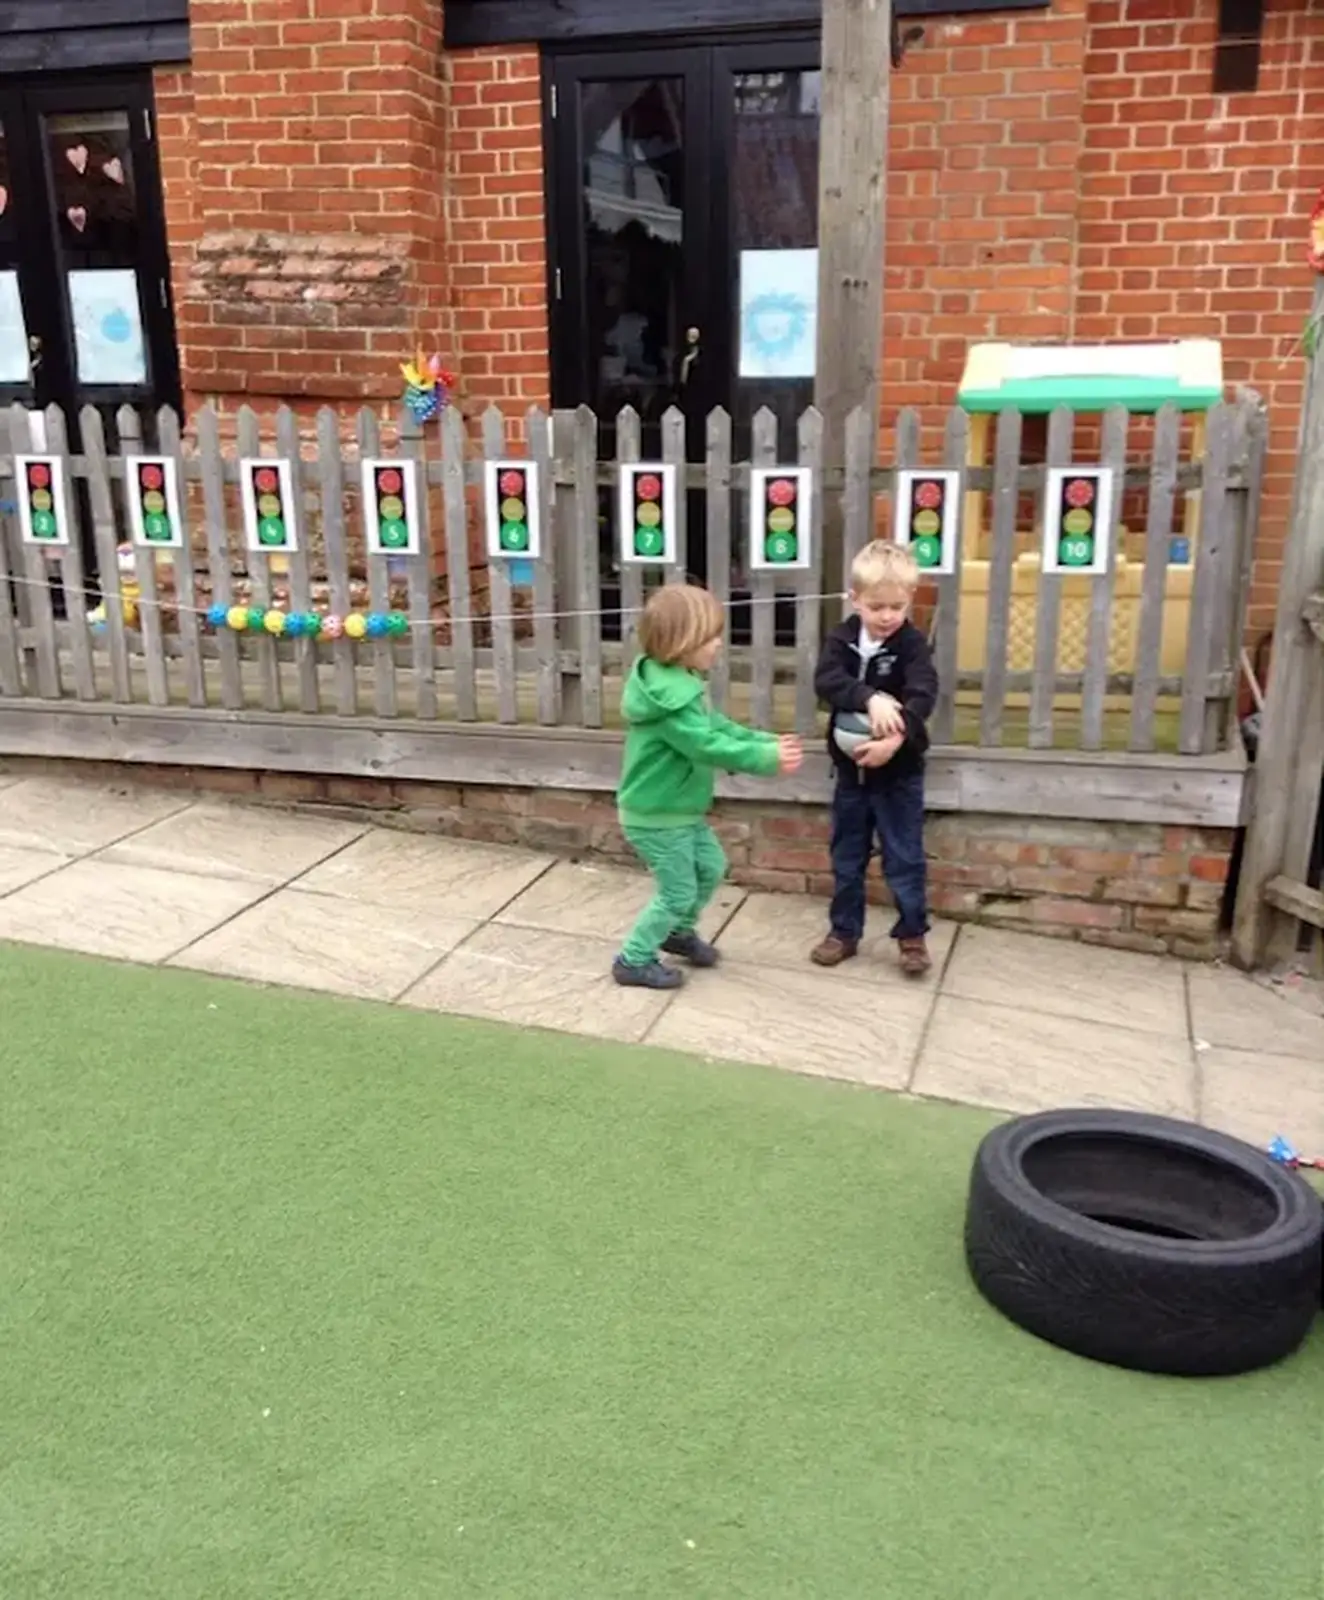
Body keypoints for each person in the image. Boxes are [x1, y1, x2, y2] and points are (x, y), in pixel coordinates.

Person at [614, 583, 803, 990]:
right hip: (656, 814)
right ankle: (633, 958)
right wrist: (764, 761)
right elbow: (704, 744)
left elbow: (716, 727)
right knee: (678, 889)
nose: (719, 644)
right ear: (681, 642)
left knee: (712, 867)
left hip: (681, 809)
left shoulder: (679, 681)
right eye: (709, 636)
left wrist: (764, 742)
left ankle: (677, 933)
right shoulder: (669, 701)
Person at [811, 541, 938, 978]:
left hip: (899, 775)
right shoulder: (842, 640)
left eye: (897, 606)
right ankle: (843, 932)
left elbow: (922, 696)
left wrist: (894, 740)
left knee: (904, 857)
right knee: (847, 856)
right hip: (851, 775)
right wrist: (869, 697)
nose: (887, 616)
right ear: (855, 600)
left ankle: (912, 936)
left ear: (910, 601)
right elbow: (827, 682)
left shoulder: (912, 646)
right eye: (876, 606)